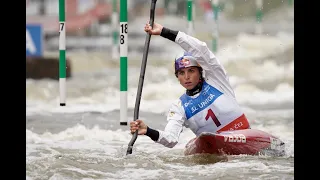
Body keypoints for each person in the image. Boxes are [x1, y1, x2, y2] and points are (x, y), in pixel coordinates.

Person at [130, 22, 251, 148]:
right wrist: (148, 131)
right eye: (181, 73)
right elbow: (170, 139)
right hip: (215, 146)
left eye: (191, 71)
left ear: (200, 71)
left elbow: (200, 49)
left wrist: (164, 32)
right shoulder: (179, 106)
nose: (186, 77)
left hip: (244, 135)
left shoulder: (217, 79)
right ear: (178, 77)